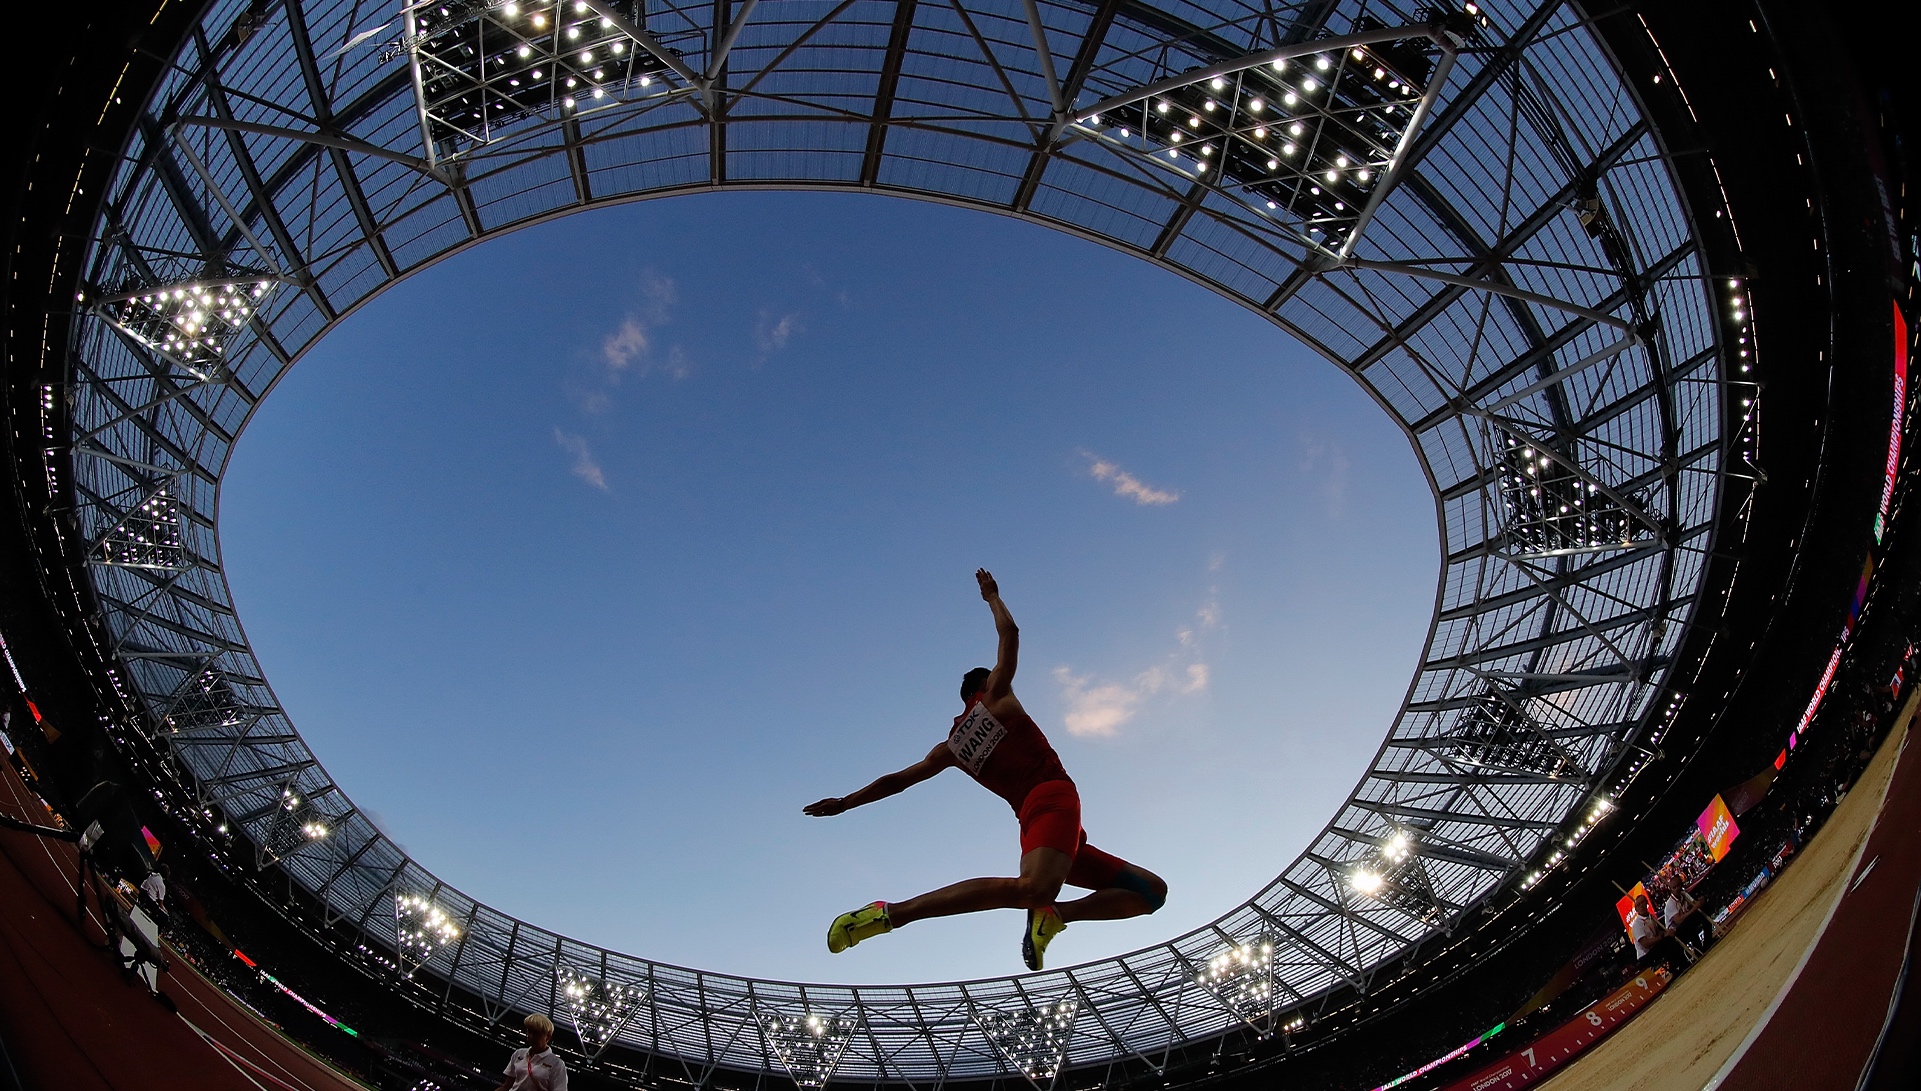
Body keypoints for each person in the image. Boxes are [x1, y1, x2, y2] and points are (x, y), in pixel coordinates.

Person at [805, 569, 1167, 971]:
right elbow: (1010, 633)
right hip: (1053, 798)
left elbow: (898, 782)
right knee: (1034, 890)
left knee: (1151, 892)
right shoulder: (997, 695)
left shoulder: (951, 747)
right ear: (987, 682)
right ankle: (890, 914)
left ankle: (1056, 915)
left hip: (1037, 824)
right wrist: (992, 597)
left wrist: (846, 802)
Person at [495, 1013, 567, 1091]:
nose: (531, 1036)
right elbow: (507, 1086)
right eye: (529, 1031)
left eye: (536, 1033)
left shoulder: (557, 1064)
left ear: (548, 1037)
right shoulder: (519, 1053)